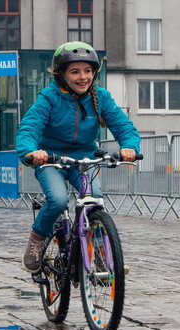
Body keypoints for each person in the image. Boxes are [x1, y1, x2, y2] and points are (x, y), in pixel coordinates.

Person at [16, 41, 141, 273]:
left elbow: (123, 126)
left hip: (83, 157)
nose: (83, 77)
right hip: (50, 158)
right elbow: (29, 128)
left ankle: (103, 257)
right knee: (58, 199)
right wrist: (31, 151)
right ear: (61, 75)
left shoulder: (101, 97)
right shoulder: (48, 97)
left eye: (88, 71)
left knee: (95, 200)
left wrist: (130, 146)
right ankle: (37, 239)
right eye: (75, 71)